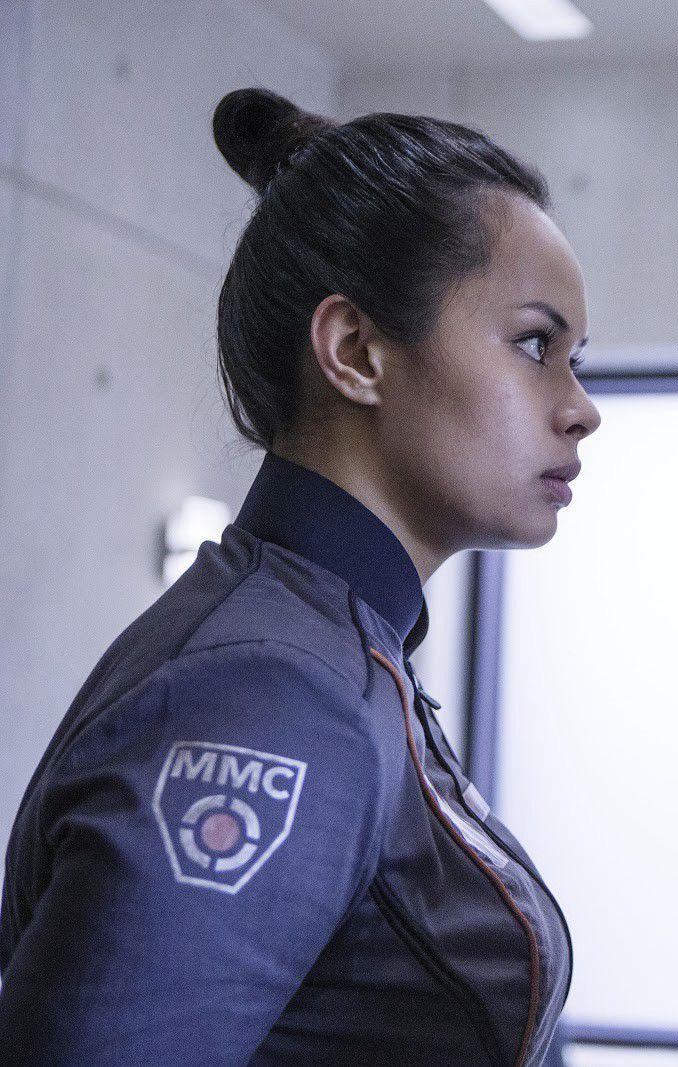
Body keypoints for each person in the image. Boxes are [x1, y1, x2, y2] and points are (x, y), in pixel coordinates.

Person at [0, 87, 599, 1064]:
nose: (581, 407)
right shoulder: (272, 692)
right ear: (355, 351)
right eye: (536, 344)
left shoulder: (338, 657)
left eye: (577, 358)